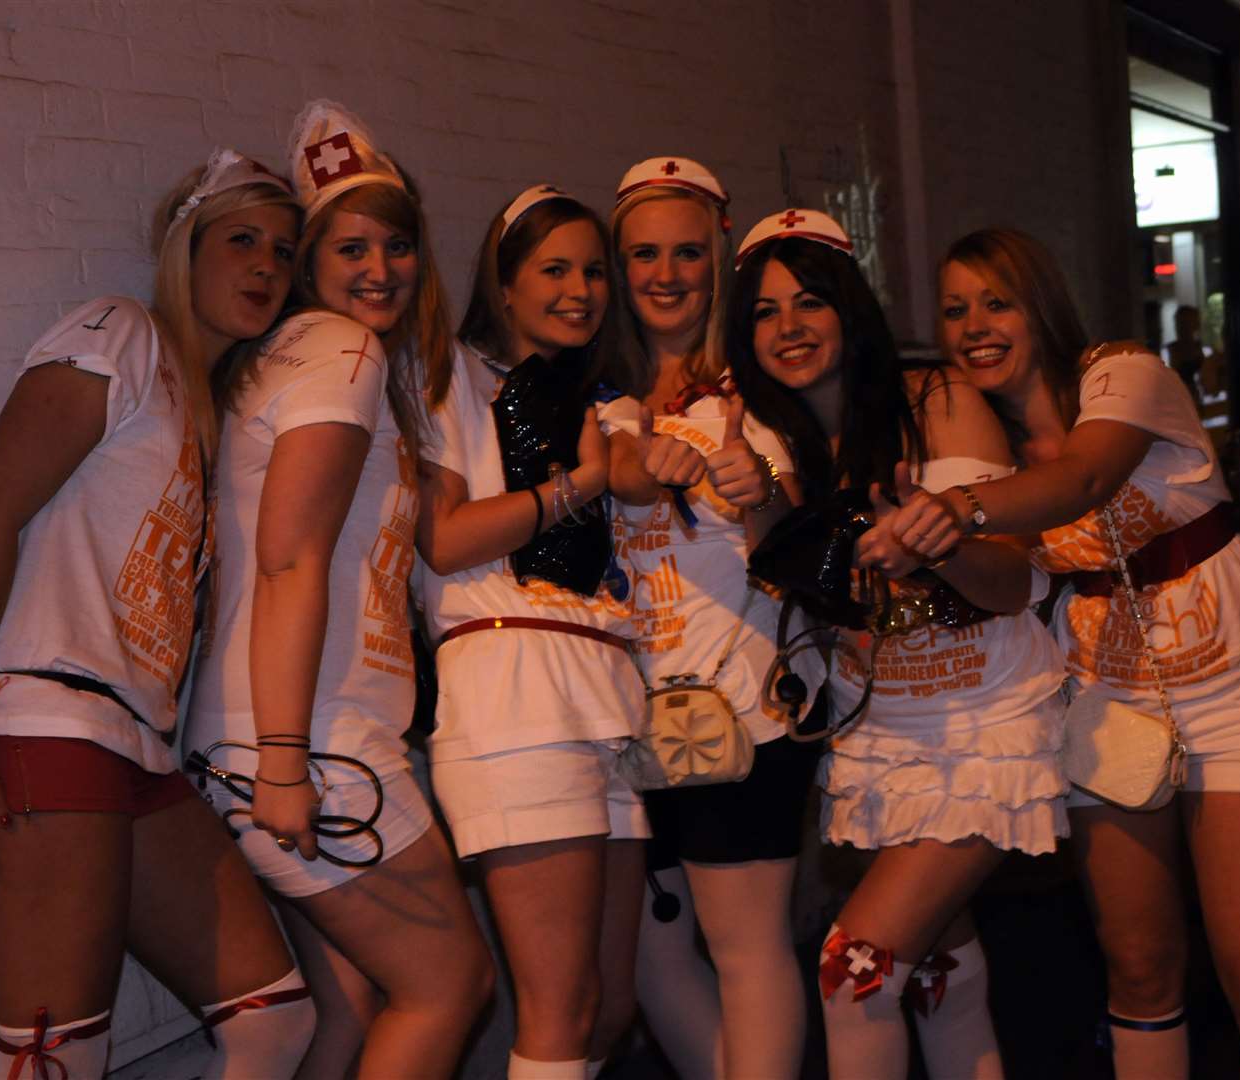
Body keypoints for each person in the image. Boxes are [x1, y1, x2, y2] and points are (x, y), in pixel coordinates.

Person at [890, 227, 1240, 1079]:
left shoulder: (1121, 376)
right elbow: (1003, 584)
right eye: (953, 310)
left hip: (1234, 691)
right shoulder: (987, 452)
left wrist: (961, 510)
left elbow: (1084, 482)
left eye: (996, 301)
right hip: (1103, 707)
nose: (974, 324)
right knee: (1136, 966)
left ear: (1040, 305)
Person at [0, 149, 315, 1080]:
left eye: (285, 252)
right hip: (49, 728)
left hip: (142, 747)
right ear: (185, 246)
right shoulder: (120, 336)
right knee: (55, 1063)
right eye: (242, 240)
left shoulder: (208, 411)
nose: (266, 265)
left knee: (274, 1022)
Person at [184, 103, 491, 1079]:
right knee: (448, 987)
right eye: (349, 246)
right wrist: (283, 761)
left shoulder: (298, 358)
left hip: (268, 730)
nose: (379, 268)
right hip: (309, 739)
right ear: (310, 262)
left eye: (396, 245)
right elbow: (288, 561)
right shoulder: (341, 355)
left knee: (349, 1012)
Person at [727, 211, 1068, 1080]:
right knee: (939, 976)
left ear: (849, 306)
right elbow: (826, 604)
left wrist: (943, 539)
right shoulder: (784, 440)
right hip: (883, 738)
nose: (788, 327)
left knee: (854, 970)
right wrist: (764, 501)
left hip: (983, 725)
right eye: (764, 312)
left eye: (808, 302)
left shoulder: (935, 399)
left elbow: (1016, 583)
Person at [415, 184, 644, 1079]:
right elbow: (440, 542)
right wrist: (573, 488)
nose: (579, 289)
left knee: (608, 1004)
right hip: (511, 683)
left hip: (603, 688)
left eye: (592, 271)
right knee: (560, 1009)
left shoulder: (594, 395)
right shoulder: (448, 381)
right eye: (553, 269)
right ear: (503, 284)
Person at [599, 157, 821, 1079]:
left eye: (686, 252)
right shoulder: (596, 397)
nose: (665, 273)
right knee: (649, 955)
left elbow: (809, 527)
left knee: (744, 947)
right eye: (644, 253)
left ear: (718, 257)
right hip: (625, 718)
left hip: (744, 716)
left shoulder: (761, 385)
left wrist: (760, 486)